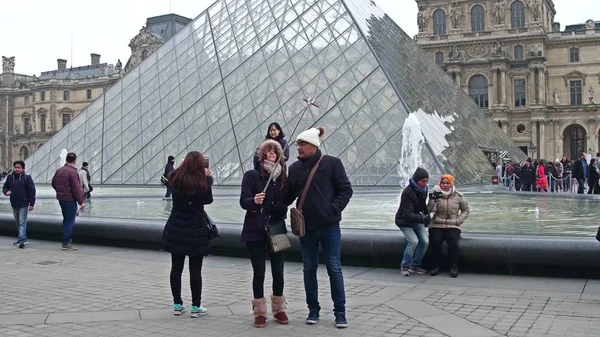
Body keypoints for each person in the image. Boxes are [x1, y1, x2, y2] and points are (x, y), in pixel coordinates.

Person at [284, 127, 353, 328]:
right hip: (307, 229)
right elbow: (288, 196)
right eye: (297, 144)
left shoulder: (332, 164)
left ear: (314, 145)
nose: (298, 147)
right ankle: (313, 310)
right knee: (308, 269)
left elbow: (346, 190)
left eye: (302, 144)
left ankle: (340, 312)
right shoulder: (294, 168)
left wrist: (332, 210)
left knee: (334, 268)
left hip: (330, 226)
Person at [240, 140, 289, 328]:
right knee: (258, 271)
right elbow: (243, 201)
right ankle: (259, 312)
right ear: (261, 155)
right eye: (268, 150)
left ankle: (279, 309)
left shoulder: (282, 177)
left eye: (275, 151)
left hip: (277, 227)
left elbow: (285, 202)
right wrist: (253, 200)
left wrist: (279, 207)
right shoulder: (251, 176)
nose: (272, 153)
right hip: (256, 229)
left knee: (279, 271)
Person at [161, 151, 213, 318]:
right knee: (195, 269)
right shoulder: (201, 182)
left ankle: (177, 304)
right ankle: (196, 306)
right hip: (195, 229)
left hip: (176, 226)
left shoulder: (174, 178)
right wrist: (207, 179)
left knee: (176, 267)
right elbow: (208, 200)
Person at [427, 174, 470, 278]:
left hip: (453, 224)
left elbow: (466, 210)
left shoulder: (458, 196)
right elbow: (429, 210)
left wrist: (458, 220)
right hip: (437, 224)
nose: (445, 185)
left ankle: (454, 266)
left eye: (447, 183)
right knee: (436, 241)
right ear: (440, 183)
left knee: (452, 241)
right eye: (443, 183)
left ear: (451, 184)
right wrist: (433, 200)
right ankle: (435, 266)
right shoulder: (434, 194)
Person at [396, 167, 430, 276]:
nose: (425, 183)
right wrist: (422, 218)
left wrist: (427, 214)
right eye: (422, 181)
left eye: (426, 181)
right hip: (404, 221)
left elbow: (423, 204)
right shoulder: (407, 193)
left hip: (416, 219)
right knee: (413, 241)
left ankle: (415, 265)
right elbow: (407, 214)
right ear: (416, 180)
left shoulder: (424, 189)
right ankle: (405, 266)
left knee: (425, 241)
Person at [51, 152, 85, 251]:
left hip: (61, 199)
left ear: (66, 159)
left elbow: (53, 183)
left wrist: (60, 192)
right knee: (69, 221)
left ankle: (66, 241)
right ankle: (66, 242)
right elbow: (76, 188)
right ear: (75, 160)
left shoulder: (59, 170)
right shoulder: (73, 172)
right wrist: (81, 202)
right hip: (70, 200)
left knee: (66, 220)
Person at [2, 161, 36, 249]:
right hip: (14, 203)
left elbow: (32, 191)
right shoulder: (10, 177)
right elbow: (5, 187)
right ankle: (23, 238)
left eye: (19, 167)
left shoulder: (27, 178)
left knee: (22, 222)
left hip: (24, 203)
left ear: (23, 169)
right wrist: (6, 192)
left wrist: (31, 203)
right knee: (18, 222)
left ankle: (21, 240)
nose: (17, 169)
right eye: (16, 167)